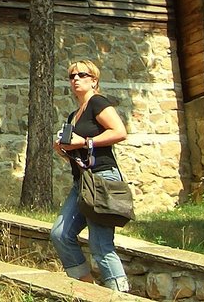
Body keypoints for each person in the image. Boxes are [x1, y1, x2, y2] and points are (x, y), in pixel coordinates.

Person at [50, 59, 130, 292]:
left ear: (94, 80)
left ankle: (121, 295)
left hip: (102, 178)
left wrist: (85, 141)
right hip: (83, 181)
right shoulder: (73, 116)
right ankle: (88, 289)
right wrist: (64, 150)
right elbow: (77, 153)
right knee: (60, 234)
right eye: (71, 76)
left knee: (100, 244)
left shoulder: (98, 103)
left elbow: (120, 132)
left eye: (81, 75)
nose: (75, 79)